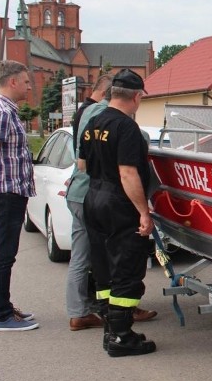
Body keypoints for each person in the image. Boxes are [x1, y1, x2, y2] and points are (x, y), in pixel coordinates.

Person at [65, 74, 157, 332]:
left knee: (103, 266)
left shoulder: (93, 122)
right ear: (137, 96)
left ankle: (109, 329)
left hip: (92, 197)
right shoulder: (127, 128)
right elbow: (128, 173)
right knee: (126, 267)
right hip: (117, 201)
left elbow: (81, 163)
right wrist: (143, 213)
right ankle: (121, 336)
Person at [0, 60, 38, 331]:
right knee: (2, 255)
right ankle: (1, 316)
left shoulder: (5, 110)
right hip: (5, 191)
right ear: (12, 82)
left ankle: (5, 308)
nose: (30, 87)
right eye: (26, 81)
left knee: (5, 254)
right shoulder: (1, 112)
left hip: (10, 190)